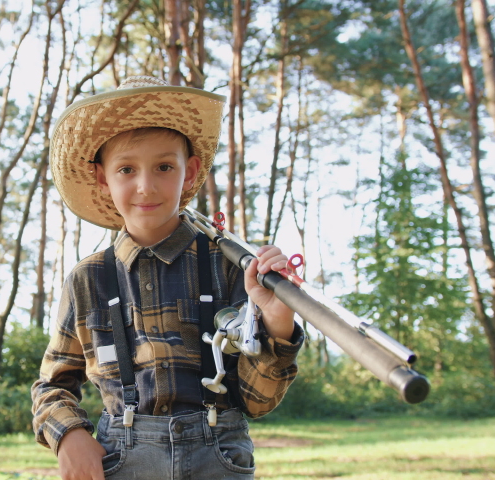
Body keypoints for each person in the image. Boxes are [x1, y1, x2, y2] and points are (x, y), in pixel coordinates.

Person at [31, 75, 304, 480]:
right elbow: (51, 384)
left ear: (190, 172)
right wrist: (68, 434)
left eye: (164, 166)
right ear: (103, 178)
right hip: (121, 461)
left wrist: (279, 322)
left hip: (220, 459)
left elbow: (259, 402)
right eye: (126, 169)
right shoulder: (87, 279)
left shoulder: (231, 267)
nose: (146, 186)